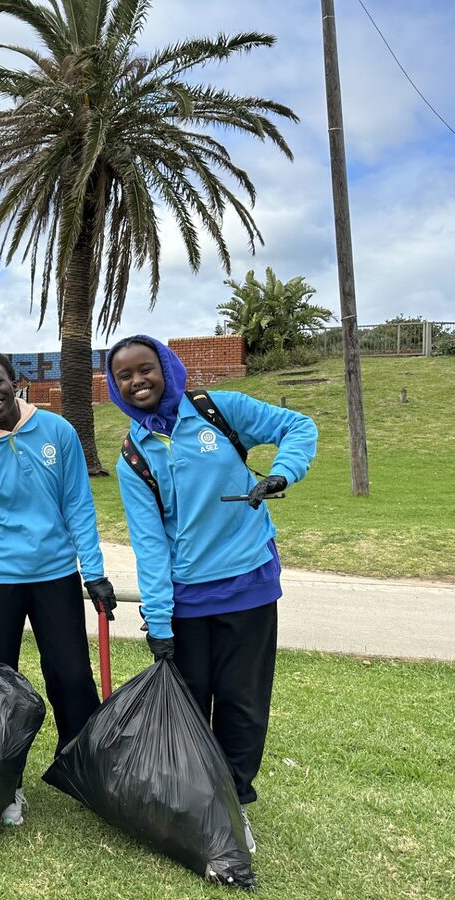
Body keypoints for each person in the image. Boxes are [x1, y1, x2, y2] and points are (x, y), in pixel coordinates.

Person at [106, 334, 317, 854]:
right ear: (115, 386)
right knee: (189, 712)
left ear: (166, 367)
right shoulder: (133, 457)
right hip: (187, 604)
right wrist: (158, 623)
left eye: (145, 369)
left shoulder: (217, 409)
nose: (137, 381)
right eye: (125, 376)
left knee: (243, 707)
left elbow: (299, 426)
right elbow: (150, 547)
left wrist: (280, 474)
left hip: (249, 586)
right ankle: (200, 806)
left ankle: (235, 805)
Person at [0, 352, 117, 827]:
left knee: (73, 677)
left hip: (55, 576)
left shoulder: (57, 432)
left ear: (15, 382)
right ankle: (6, 783)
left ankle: (87, 772)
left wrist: (94, 572)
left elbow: (78, 502)